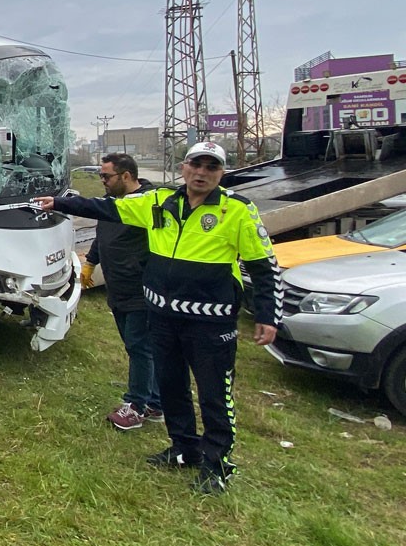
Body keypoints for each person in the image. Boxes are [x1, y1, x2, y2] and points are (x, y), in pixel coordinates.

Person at [34, 141, 280, 495]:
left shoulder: (237, 210)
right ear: (185, 167)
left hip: (210, 323)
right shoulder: (158, 202)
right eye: (196, 164)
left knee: (214, 395)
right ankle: (183, 449)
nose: (202, 173)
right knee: (171, 387)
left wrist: (268, 315)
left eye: (211, 167)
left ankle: (217, 464)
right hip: (162, 316)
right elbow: (107, 208)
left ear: (220, 173)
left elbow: (265, 267)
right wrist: (58, 202)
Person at [84, 153, 163, 431]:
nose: (102, 181)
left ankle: (136, 406)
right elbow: (101, 235)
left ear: (126, 176)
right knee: (140, 347)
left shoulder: (148, 204)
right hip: (118, 290)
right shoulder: (113, 204)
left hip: (140, 290)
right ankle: (155, 402)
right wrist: (90, 263)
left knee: (139, 347)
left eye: (106, 176)